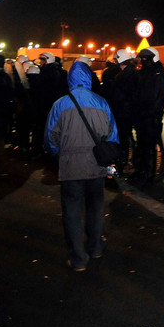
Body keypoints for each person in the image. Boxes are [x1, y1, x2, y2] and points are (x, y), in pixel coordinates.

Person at [44, 60, 119, 271]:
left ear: (70, 79)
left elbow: (51, 139)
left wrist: (59, 155)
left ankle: (78, 259)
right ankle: (96, 248)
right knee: (96, 208)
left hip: (70, 167)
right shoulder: (101, 102)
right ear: (89, 78)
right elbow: (112, 135)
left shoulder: (60, 104)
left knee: (73, 212)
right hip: (96, 166)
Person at [129, 47, 164, 186]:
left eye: (146, 59)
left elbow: (160, 98)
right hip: (142, 116)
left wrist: (153, 113)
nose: (143, 61)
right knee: (142, 146)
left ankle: (152, 174)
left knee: (151, 146)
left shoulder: (158, 74)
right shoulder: (145, 73)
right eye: (142, 59)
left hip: (151, 117)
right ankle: (141, 171)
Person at [104, 50, 138, 175]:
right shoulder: (131, 72)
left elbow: (119, 95)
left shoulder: (124, 75)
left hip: (123, 111)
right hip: (127, 110)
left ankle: (126, 162)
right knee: (127, 136)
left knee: (125, 137)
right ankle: (128, 161)